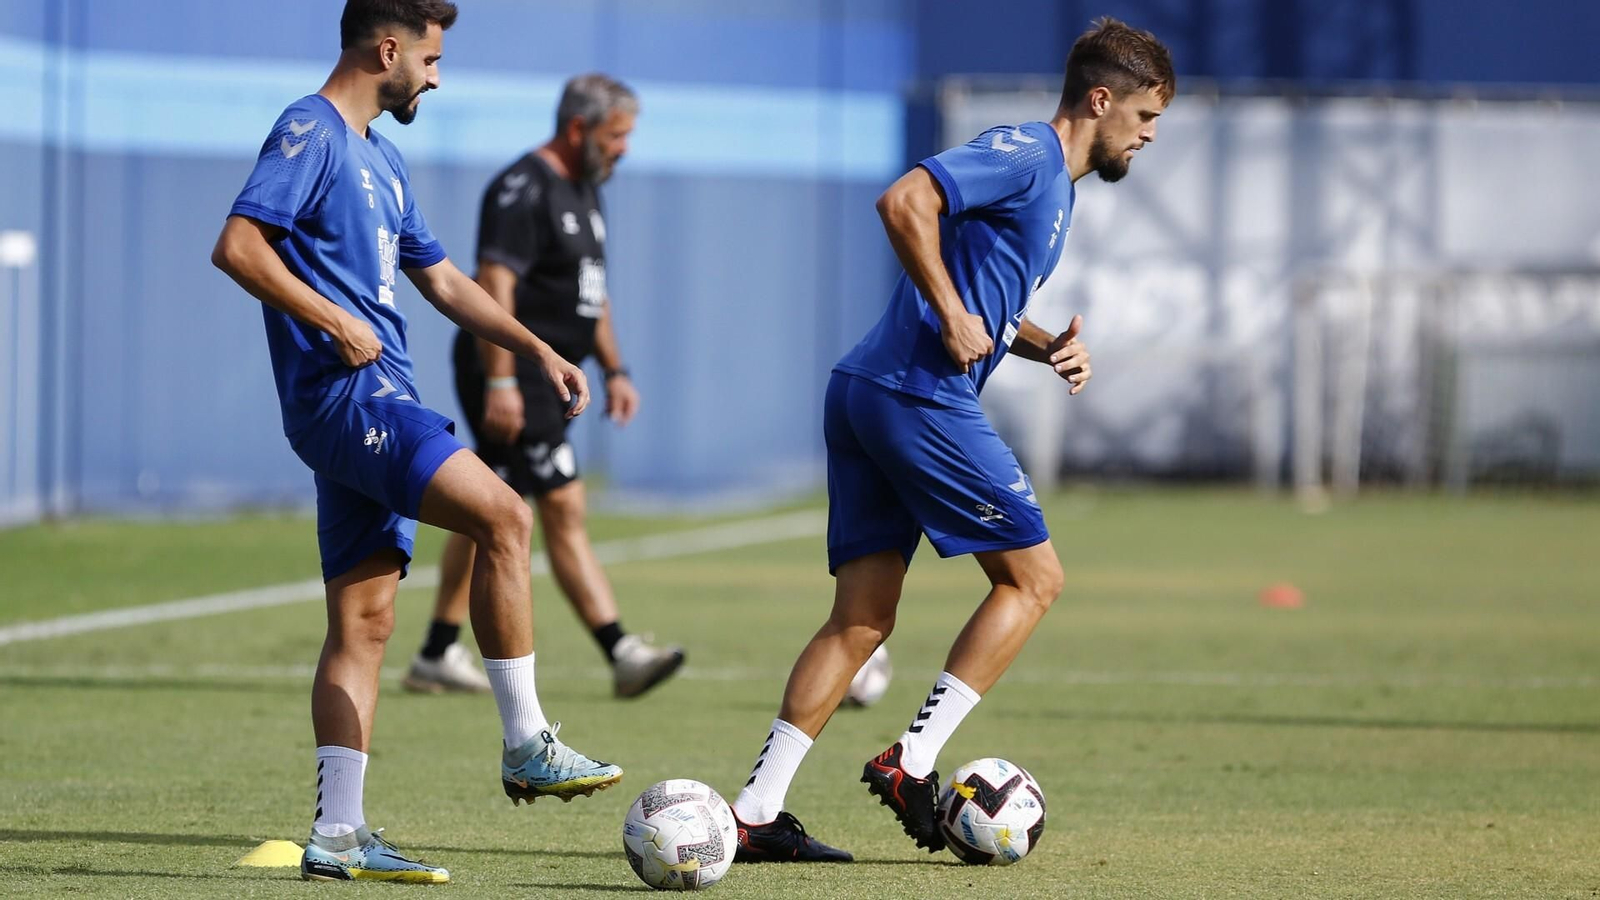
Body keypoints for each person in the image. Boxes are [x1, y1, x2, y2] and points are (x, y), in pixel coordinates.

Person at [726, 18, 1175, 862]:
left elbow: (983, 299)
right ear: (1102, 99)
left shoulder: (1059, 187)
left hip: (869, 390)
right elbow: (904, 201)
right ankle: (915, 757)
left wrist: (1041, 344)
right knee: (1034, 580)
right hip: (915, 394)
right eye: (1146, 117)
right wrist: (954, 311)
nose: (1149, 136)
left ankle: (754, 811)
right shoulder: (1028, 153)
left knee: (860, 622)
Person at [211, 0, 624, 883]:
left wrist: (537, 347)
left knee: (364, 624)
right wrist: (331, 319)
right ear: (388, 49)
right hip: (352, 395)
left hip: (367, 400)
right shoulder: (309, 130)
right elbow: (239, 245)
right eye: (430, 61)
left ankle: (338, 834)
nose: (436, 77)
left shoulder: (385, 161)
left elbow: (443, 279)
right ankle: (527, 740)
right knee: (507, 518)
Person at [403, 73, 685, 700]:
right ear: (578, 128)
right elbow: (493, 285)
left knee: (492, 504)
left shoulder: (587, 190)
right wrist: (501, 378)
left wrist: (616, 369)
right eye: (617, 135)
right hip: (513, 373)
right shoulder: (521, 188)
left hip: (551, 377)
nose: (624, 149)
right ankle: (620, 649)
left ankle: (436, 651)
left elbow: (593, 291)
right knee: (561, 504)